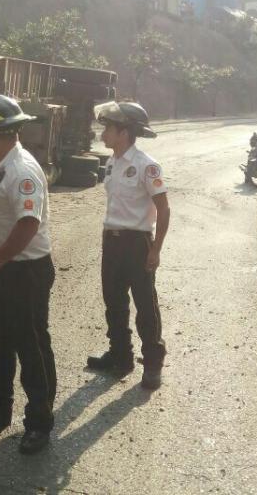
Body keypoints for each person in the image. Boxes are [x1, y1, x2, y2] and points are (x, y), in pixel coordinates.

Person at [0, 95, 57, 455]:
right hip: (6, 268)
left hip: (23, 271)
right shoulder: (1, 164)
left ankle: (39, 422)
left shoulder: (21, 169)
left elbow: (28, 224)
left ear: (0, 134)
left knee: (32, 346)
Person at [88, 101, 170, 390]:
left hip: (137, 243)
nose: (103, 133)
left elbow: (163, 209)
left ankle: (153, 365)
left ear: (124, 132)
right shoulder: (111, 163)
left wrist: (155, 249)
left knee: (145, 306)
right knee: (114, 302)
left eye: (108, 128)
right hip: (112, 241)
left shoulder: (146, 165)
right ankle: (120, 356)